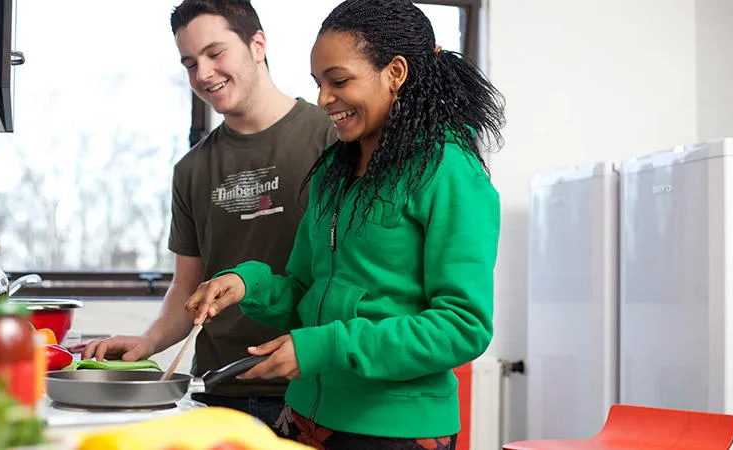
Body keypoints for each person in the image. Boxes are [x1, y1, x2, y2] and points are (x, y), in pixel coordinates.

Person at [184, 0, 505, 448]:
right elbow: (302, 289)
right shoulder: (335, 168)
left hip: (394, 430)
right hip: (304, 419)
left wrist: (325, 347)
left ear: (395, 73)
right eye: (319, 84)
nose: (322, 100)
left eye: (339, 81)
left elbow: (462, 326)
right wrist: (246, 284)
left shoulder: (450, 171)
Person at [78, 0, 337, 429]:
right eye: (189, 63)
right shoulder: (191, 170)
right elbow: (187, 287)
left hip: (310, 391)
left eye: (215, 54)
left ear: (257, 44)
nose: (203, 74)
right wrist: (149, 341)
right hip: (215, 392)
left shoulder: (331, 136)